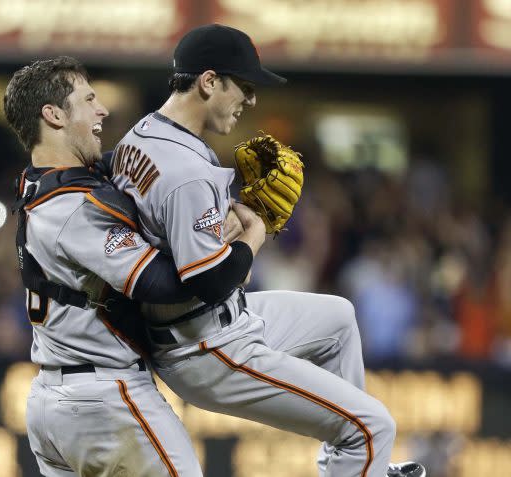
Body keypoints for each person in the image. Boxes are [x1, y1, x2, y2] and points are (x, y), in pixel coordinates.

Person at [109, 24, 426, 477]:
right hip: (205, 348)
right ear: (209, 81)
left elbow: (168, 232)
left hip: (197, 326)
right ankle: (362, 454)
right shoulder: (189, 171)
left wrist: (230, 219)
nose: (251, 100)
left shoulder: (139, 136)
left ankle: (352, 466)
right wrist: (254, 230)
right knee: (374, 425)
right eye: (244, 85)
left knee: (338, 318)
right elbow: (211, 281)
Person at [3, 55, 262, 477]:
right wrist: (245, 239)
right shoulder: (72, 209)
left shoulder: (43, 182)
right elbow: (164, 284)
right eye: (88, 99)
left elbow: (119, 172)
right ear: (52, 115)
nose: (101, 109)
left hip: (55, 403)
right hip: (104, 400)